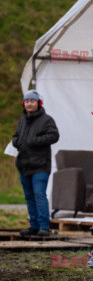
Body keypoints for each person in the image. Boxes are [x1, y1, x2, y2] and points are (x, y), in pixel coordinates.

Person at [12, 90, 59, 237]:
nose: (29, 104)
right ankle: (34, 226)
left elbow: (54, 135)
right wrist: (16, 142)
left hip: (40, 166)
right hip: (24, 166)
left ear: (38, 103)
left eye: (32, 101)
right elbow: (16, 136)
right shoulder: (22, 121)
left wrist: (35, 141)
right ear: (23, 104)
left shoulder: (47, 120)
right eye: (27, 101)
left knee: (39, 195)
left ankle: (44, 226)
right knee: (29, 197)